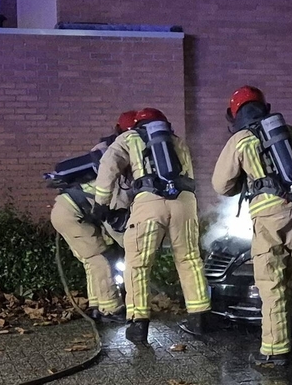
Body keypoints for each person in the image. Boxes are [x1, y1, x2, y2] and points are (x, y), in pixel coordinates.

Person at [211, 86, 292, 365]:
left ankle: (274, 352)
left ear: (235, 113)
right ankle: (286, 334)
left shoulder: (240, 140)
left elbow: (221, 185)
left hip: (267, 216)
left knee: (270, 280)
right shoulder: (290, 133)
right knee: (289, 275)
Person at [93, 107, 211, 344]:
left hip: (149, 202)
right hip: (185, 202)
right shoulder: (178, 142)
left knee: (138, 264)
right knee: (189, 259)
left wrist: (101, 203)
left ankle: (138, 324)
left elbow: (109, 165)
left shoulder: (129, 138)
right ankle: (199, 317)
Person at [48, 111, 136, 321]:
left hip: (69, 211)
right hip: (71, 214)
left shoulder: (107, 159)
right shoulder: (117, 182)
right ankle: (111, 310)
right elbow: (112, 220)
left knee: (93, 260)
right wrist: (129, 245)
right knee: (100, 260)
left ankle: (97, 306)